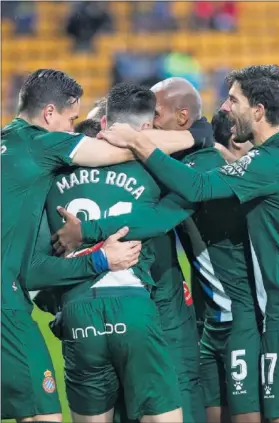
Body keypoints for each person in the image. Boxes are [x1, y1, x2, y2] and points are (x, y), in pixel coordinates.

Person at [96, 65, 279, 423]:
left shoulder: (266, 162)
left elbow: (199, 188)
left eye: (234, 100)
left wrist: (139, 142)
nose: (226, 107)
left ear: (258, 110)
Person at [1, 68, 212, 423]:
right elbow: (128, 152)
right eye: (70, 119)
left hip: (70, 313)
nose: (72, 128)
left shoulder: (20, 153)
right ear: (49, 113)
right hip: (122, 305)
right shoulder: (43, 144)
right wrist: (196, 135)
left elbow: (36, 268)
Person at [53, 80, 262, 423]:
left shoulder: (201, 167)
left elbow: (156, 217)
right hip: (208, 323)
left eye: (155, 114)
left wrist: (86, 230)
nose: (148, 123)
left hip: (239, 318)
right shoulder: (168, 163)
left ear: (181, 117)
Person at [45, 83, 183, 423]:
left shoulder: (54, 172)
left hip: (77, 308)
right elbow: (191, 194)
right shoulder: (154, 170)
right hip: (131, 301)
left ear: (104, 122)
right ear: (147, 128)